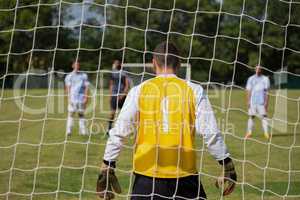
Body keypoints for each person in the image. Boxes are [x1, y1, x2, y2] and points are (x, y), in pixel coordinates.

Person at [97, 42, 237, 200]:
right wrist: (226, 163)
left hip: (146, 180)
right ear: (180, 64)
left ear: (153, 63)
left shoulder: (139, 91)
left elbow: (119, 132)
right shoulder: (194, 90)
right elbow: (210, 133)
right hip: (185, 180)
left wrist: (108, 165)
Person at [245, 65, 270, 140]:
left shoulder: (265, 79)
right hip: (253, 102)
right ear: (255, 70)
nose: (258, 70)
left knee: (264, 117)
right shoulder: (251, 79)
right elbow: (248, 90)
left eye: (259, 69)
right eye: (257, 69)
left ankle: (266, 133)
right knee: (251, 116)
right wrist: (248, 101)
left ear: (261, 70)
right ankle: (249, 133)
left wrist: (266, 102)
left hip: (261, 102)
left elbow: (267, 92)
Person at [65, 61, 89, 136]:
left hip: (81, 98)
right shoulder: (69, 76)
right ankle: (69, 131)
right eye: (75, 65)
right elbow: (67, 88)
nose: (77, 66)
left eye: (78, 65)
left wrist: (86, 97)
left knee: (81, 114)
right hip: (72, 98)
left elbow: (86, 87)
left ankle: (83, 131)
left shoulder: (84, 75)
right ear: (72, 66)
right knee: (71, 114)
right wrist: (68, 98)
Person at [107, 60, 130, 134]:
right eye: (115, 63)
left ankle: (124, 129)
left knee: (124, 113)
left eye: (117, 63)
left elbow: (127, 85)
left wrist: (123, 94)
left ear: (120, 64)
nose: (116, 64)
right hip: (114, 95)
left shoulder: (124, 73)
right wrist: (110, 95)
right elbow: (111, 84)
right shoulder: (112, 73)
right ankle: (109, 128)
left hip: (122, 96)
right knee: (112, 113)